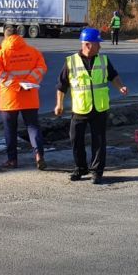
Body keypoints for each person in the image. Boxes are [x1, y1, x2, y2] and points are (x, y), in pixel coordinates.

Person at [54, 28, 128, 184]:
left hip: (99, 108)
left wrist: (120, 86)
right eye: (97, 43)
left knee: (99, 142)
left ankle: (97, 171)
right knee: (76, 140)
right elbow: (62, 86)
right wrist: (59, 104)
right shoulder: (71, 62)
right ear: (87, 45)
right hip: (80, 108)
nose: (100, 46)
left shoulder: (103, 60)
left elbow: (113, 76)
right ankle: (80, 168)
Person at [0, 26, 48, 170]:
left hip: (10, 98)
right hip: (29, 95)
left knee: (10, 129)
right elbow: (41, 68)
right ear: (19, 36)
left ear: (5, 37)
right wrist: (28, 82)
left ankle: (12, 160)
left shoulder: (0, 55)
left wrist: (17, 85)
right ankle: (39, 155)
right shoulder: (33, 52)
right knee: (33, 126)